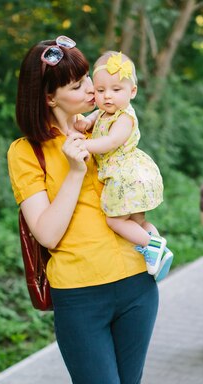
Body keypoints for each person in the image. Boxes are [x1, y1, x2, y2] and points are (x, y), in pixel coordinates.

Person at [7, 36, 157, 384]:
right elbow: (47, 233)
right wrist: (75, 170)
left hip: (137, 287)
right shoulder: (26, 152)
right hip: (80, 298)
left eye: (88, 77)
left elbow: (128, 193)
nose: (93, 88)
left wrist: (147, 227)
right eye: (77, 86)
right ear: (49, 98)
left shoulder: (106, 128)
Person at [75, 51, 173, 280]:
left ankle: (152, 244)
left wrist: (85, 145)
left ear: (133, 91)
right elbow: (93, 119)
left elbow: (111, 142)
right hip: (127, 176)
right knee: (137, 221)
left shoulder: (124, 118)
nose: (107, 96)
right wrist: (85, 122)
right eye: (100, 91)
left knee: (115, 221)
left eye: (116, 90)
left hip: (126, 178)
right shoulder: (104, 111)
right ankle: (160, 253)